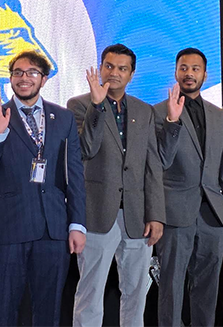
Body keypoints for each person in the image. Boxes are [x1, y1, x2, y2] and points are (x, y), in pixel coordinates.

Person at [0, 50, 86, 327]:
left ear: (43, 79)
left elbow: (75, 174)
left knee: (48, 313)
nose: (24, 78)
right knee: (4, 311)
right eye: (17, 72)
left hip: (53, 229)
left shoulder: (63, 118)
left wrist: (77, 224)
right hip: (10, 228)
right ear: (10, 78)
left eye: (32, 72)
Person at [67, 44, 165, 327]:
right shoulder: (79, 105)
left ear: (131, 75)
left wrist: (156, 214)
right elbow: (84, 150)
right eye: (109, 66)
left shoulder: (144, 111)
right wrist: (97, 107)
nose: (114, 73)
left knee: (136, 293)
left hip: (137, 216)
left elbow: (152, 165)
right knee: (90, 293)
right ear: (100, 68)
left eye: (122, 69)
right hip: (96, 213)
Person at [153, 48, 223, 327]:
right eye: (183, 68)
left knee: (208, 289)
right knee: (170, 287)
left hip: (213, 217)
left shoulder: (219, 116)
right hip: (174, 214)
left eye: (195, 69)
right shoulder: (157, 112)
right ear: (175, 72)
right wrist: (172, 122)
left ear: (205, 74)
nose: (189, 73)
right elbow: (160, 161)